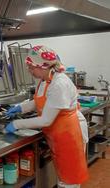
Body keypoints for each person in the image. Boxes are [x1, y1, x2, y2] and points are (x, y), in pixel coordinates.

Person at [5, 45, 88, 188]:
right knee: (63, 176)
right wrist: (20, 108)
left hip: (70, 135)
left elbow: (46, 120)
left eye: (31, 67)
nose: (29, 70)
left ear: (43, 66)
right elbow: (38, 101)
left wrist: (17, 124)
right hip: (59, 133)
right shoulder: (45, 79)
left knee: (69, 181)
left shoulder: (59, 83)